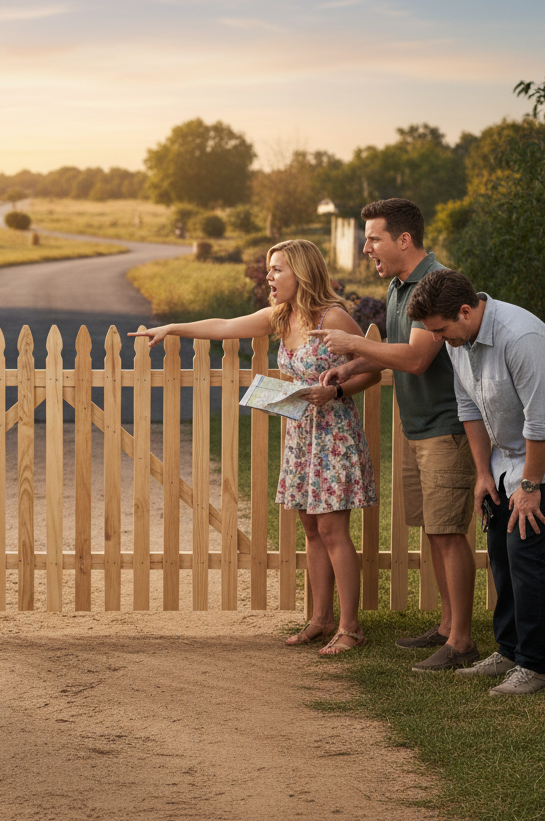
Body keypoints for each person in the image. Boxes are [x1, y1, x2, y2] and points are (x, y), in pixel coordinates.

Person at [131, 240, 379, 654]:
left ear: (302, 272)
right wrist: (172, 328)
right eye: (269, 269)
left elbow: (374, 367)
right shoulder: (280, 316)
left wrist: (335, 392)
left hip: (334, 436)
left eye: (277, 269)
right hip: (301, 437)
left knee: (333, 531)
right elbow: (224, 326)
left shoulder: (333, 317)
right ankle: (321, 620)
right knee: (312, 530)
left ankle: (351, 629)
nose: (269, 276)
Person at [406, 269, 545, 695]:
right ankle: (508, 651)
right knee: (498, 549)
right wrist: (482, 474)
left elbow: (543, 421)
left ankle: (534, 666)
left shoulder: (519, 337)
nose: (437, 339)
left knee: (523, 551)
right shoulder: (458, 340)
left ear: (465, 310)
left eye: (440, 330)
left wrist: (529, 487)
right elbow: (469, 408)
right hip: (506, 456)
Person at [311, 199, 480, 672]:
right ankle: (446, 627)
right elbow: (395, 348)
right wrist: (351, 367)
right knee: (433, 530)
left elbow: (417, 359)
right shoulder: (397, 285)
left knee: (448, 533)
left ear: (404, 240)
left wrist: (353, 344)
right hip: (417, 427)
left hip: (446, 428)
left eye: (374, 239)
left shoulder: (436, 285)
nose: (366, 248)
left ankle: (462, 642)